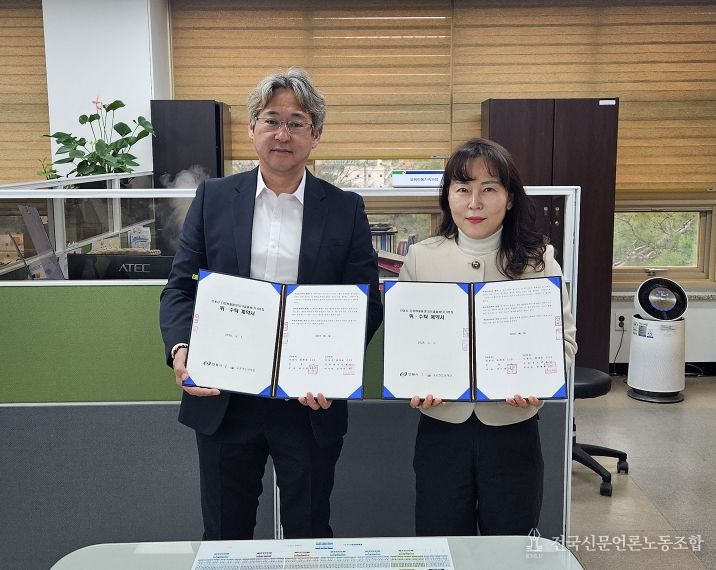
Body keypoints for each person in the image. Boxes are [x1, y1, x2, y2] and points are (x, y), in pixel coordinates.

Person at [159, 68, 382, 540]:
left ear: (315, 135)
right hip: (225, 394)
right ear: (251, 128)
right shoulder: (213, 198)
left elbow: (366, 303)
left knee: (309, 532)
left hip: (308, 400)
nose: (283, 134)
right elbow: (180, 288)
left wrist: (333, 369)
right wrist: (180, 349)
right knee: (225, 534)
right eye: (272, 120)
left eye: (297, 123)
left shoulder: (345, 208)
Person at [399, 137, 577, 537]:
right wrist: (411, 382)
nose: (474, 203)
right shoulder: (422, 258)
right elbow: (405, 343)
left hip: (512, 426)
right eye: (463, 189)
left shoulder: (539, 259)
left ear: (510, 198)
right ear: (448, 197)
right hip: (442, 425)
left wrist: (541, 381)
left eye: (489, 189)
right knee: (442, 541)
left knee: (510, 544)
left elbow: (564, 342)